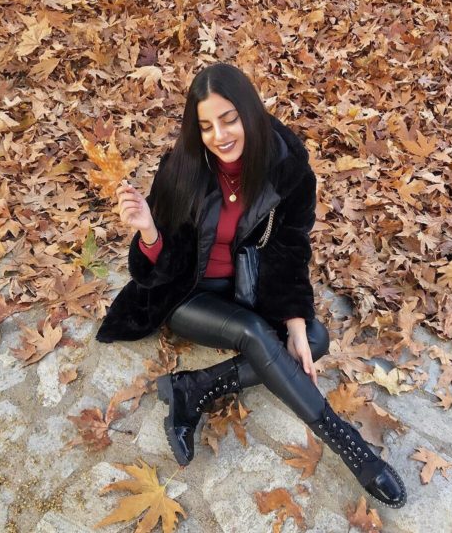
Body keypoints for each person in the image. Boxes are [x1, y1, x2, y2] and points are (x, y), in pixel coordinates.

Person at [96, 63, 406, 509]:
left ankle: (192, 388)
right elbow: (161, 269)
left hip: (246, 286)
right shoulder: (182, 167)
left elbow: (289, 247)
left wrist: (294, 320)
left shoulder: (287, 169)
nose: (219, 136)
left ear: (249, 112)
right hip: (186, 293)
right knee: (255, 332)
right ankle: (351, 448)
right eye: (206, 126)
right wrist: (148, 230)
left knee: (314, 339)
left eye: (229, 119)